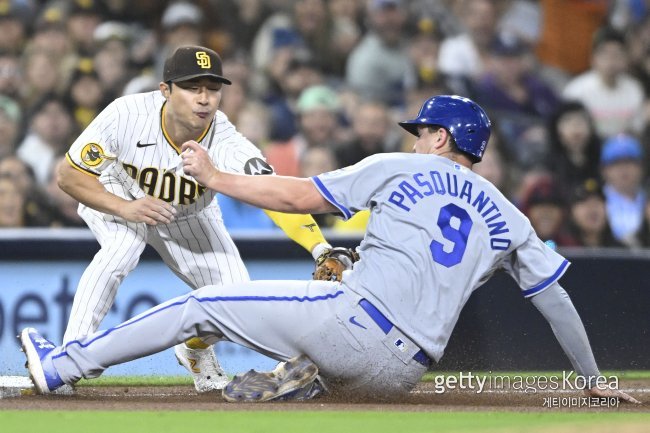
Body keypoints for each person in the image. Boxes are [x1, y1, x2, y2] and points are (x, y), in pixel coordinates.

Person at [21, 95, 640, 404]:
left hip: (355, 326)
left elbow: (295, 197)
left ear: (442, 137)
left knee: (201, 304)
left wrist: (215, 179)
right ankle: (310, 378)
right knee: (336, 283)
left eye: (423, 130)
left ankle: (62, 367)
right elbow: (555, 300)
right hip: (404, 373)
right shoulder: (510, 215)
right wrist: (591, 381)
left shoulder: (402, 167)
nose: (416, 137)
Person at [53, 45, 335, 394]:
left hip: (190, 214)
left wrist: (319, 247)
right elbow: (67, 176)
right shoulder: (126, 114)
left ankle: (193, 351)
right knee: (123, 247)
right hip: (118, 192)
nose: (204, 99)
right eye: (192, 87)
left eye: (213, 89)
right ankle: (65, 362)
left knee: (235, 301)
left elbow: (274, 195)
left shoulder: (228, 142)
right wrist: (125, 208)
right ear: (165, 90)